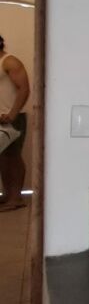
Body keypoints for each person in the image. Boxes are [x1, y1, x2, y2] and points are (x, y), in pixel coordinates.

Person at [0, 35, 30, 212]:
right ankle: (8, 195)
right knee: (3, 157)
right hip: (1, 118)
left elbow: (24, 88)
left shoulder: (10, 62)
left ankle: (16, 198)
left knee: (13, 156)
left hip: (13, 118)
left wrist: (12, 113)